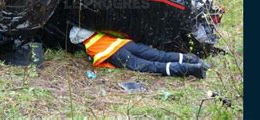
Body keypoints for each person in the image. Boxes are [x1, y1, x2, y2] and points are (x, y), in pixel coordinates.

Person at [69, 26, 210, 79]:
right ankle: (194, 60)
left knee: (152, 66)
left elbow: (100, 62)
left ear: (79, 41)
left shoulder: (89, 48)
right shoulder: (101, 34)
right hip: (128, 45)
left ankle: (192, 69)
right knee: (160, 55)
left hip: (118, 55)